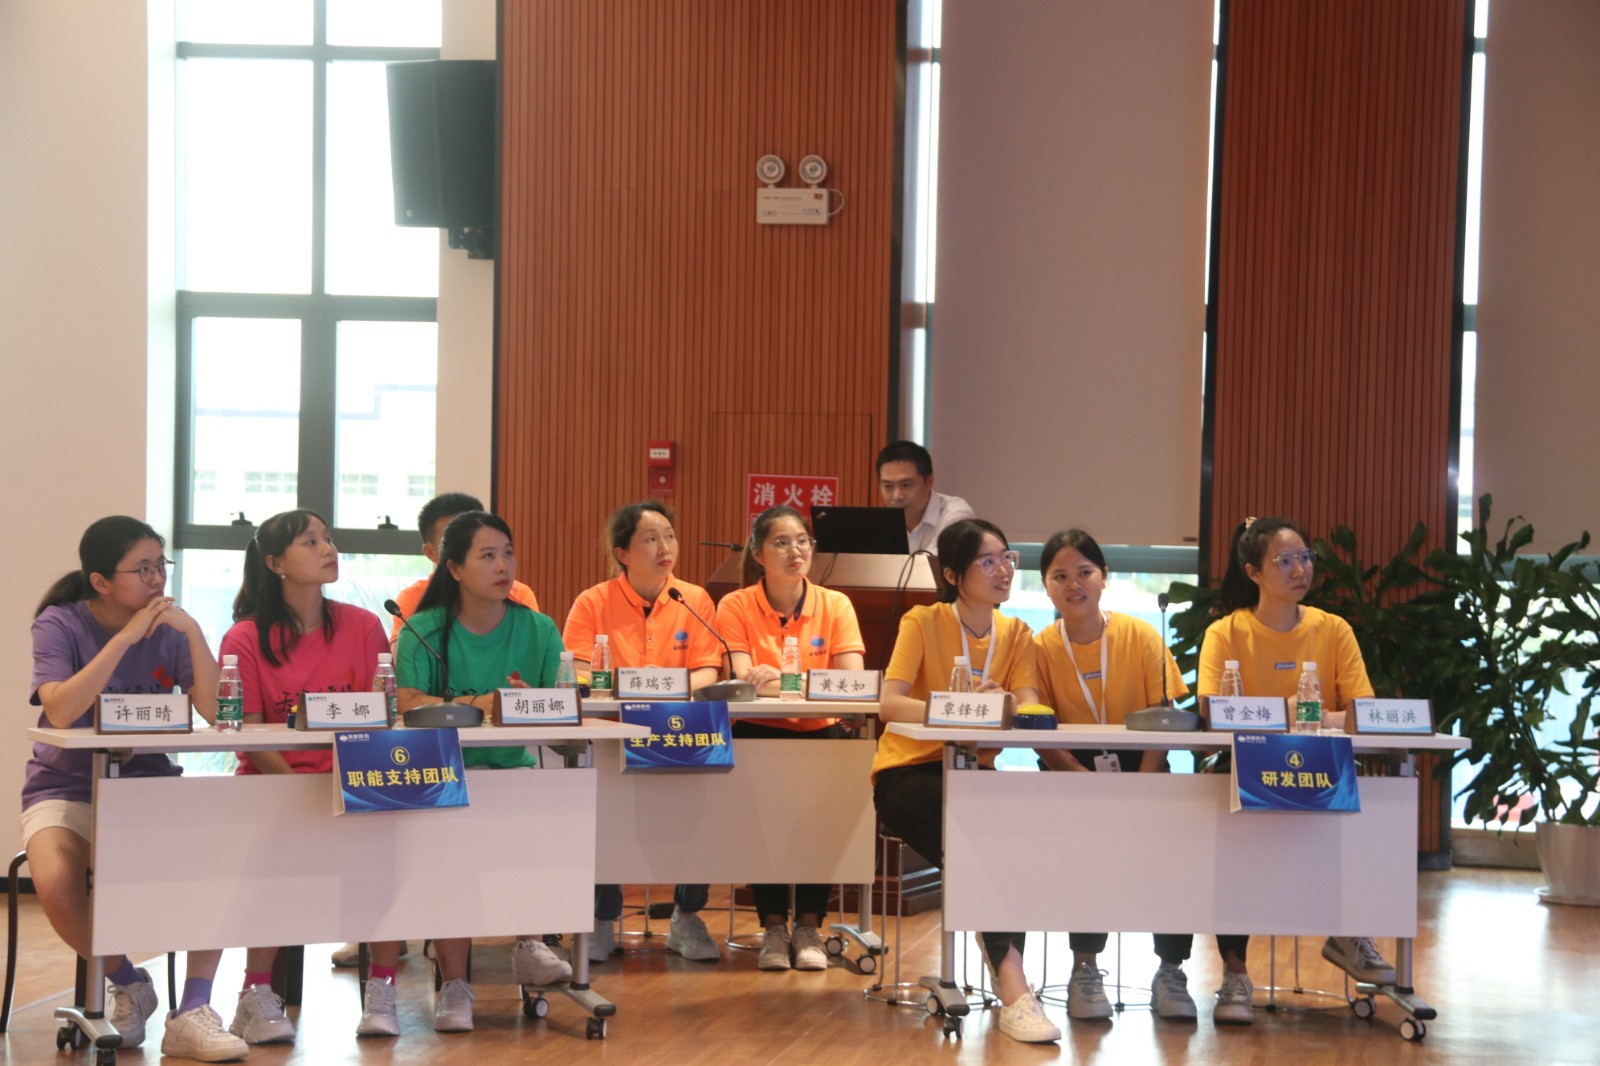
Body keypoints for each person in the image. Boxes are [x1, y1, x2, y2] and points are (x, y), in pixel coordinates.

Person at [25, 516, 248, 1062]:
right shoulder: (59, 623)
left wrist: (193, 633)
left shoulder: (171, 630)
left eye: (159, 566)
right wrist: (124, 638)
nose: (156, 579)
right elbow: (62, 709)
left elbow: (217, 712)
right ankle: (127, 980)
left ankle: (193, 1010)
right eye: (141, 569)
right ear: (101, 581)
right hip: (67, 786)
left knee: (218, 862)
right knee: (55, 880)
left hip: (149, 785)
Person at [871, 518, 1060, 1043]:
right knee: (984, 843)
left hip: (975, 775)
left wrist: (1006, 705)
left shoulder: (1016, 633)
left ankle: (1008, 975)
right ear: (953, 575)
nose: (1003, 570)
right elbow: (890, 703)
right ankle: (1014, 989)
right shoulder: (922, 621)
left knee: (1003, 839)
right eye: (988, 561)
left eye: (1007, 558)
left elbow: (1028, 706)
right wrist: (958, 708)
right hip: (909, 773)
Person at [1197, 516, 1391, 1025]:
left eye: (1305, 557)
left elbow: (1362, 710)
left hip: (1320, 764)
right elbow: (1212, 709)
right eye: (1284, 561)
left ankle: (1350, 932)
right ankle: (1235, 973)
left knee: (1367, 804)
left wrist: (1302, 716)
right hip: (1246, 764)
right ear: (1253, 572)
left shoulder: (1333, 628)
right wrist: (1298, 713)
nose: (1300, 569)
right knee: (1231, 843)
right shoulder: (1226, 632)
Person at [393, 510, 573, 1033]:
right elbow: (406, 701)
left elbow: (558, 703)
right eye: (488, 556)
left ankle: (531, 943)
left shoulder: (538, 628)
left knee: (540, 819)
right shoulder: (424, 629)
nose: (503, 566)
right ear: (454, 568)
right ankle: (455, 983)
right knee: (452, 864)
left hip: (514, 772)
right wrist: (487, 704)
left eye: (508, 553)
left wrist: (509, 704)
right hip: (443, 778)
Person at [219, 510, 390, 1044]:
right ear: (275, 563)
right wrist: (301, 786)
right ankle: (255, 993)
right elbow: (249, 733)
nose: (327, 548)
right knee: (276, 861)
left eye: (328, 539)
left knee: (391, 842)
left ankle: (383, 987)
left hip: (352, 782)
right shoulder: (244, 637)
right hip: (275, 785)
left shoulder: (364, 627)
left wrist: (346, 783)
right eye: (310, 541)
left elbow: (381, 718)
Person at [1031, 528, 1196, 1023]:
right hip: (1071, 771)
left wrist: (1138, 786)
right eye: (1060, 576)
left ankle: (1171, 970)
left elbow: (1163, 719)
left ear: (1104, 577)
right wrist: (1084, 781)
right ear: (1045, 585)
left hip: (1144, 765)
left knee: (1175, 850)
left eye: (1084, 572)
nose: (1073, 584)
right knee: (1086, 850)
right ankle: (1085, 968)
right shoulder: (1039, 646)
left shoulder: (1141, 635)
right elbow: (1039, 732)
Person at [562, 501, 723, 964]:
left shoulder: (693, 599)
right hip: (612, 731)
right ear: (623, 553)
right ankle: (600, 919)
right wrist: (634, 686)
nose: (664, 547)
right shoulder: (593, 601)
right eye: (650, 539)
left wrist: (666, 688)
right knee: (605, 820)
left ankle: (686, 916)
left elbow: (709, 670)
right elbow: (578, 668)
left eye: (669, 536)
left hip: (679, 730)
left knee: (692, 823)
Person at [715, 505, 866, 973]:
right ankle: (775, 928)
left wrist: (779, 681)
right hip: (756, 732)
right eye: (781, 542)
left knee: (819, 830)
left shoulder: (835, 604)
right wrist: (802, 683)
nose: (795, 550)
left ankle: (809, 926)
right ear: (758, 553)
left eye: (802, 541)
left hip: (822, 733)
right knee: (764, 830)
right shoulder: (736, 605)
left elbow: (851, 681)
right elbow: (742, 681)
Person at [385, 491, 540, 643]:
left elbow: (531, 651)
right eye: (454, 543)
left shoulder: (518, 595)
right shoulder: (413, 599)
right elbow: (401, 656)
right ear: (430, 552)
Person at [875, 440, 974, 555]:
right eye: (888, 486)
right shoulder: (878, 524)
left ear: (929, 482)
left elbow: (931, 563)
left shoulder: (956, 514)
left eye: (906, 485)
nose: (896, 496)